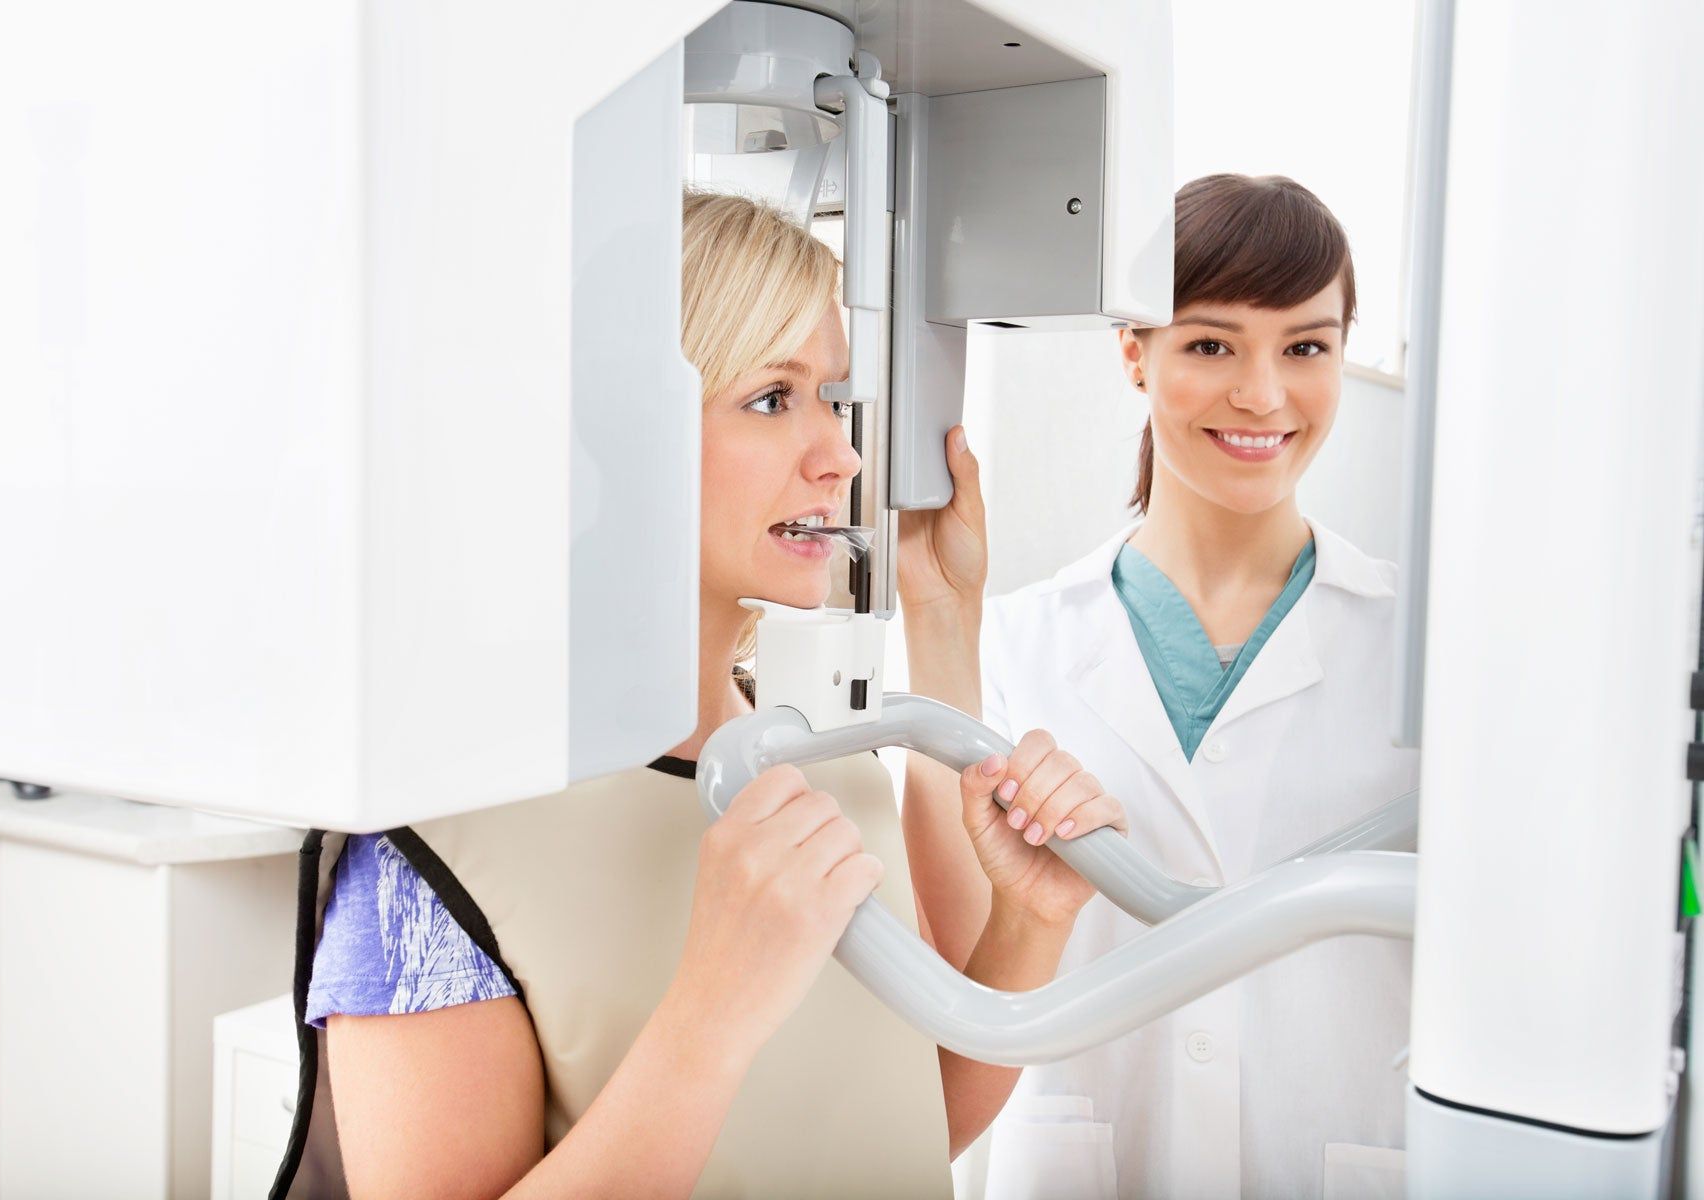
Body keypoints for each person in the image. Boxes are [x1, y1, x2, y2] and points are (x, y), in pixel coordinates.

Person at [272, 190, 1124, 1200]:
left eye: (833, 398)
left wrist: (1028, 925)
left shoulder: (825, 759)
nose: (840, 455)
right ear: (622, 432)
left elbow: (913, 1118)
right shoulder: (435, 836)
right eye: (773, 397)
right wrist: (714, 1009)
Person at [899, 174, 1420, 1199]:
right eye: (1213, 345)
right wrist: (939, 621)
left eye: (1305, 347)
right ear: (1134, 351)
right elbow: (963, 978)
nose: (1264, 395)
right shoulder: (1015, 644)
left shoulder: (1425, 653)